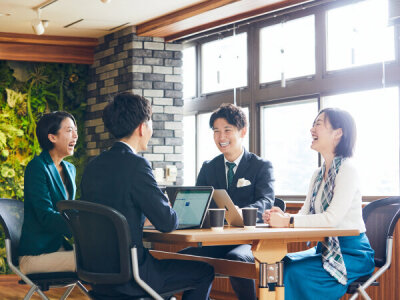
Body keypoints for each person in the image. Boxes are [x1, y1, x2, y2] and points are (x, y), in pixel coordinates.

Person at [80, 92, 214, 299]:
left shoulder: (93, 166)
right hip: (132, 275)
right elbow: (167, 223)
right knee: (203, 272)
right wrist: (167, 207)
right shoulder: (136, 166)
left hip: (97, 275)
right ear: (142, 127)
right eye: (151, 122)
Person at [263, 108, 375, 300]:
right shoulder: (317, 174)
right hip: (324, 249)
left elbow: (331, 219)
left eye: (318, 124)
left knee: (292, 271)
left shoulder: (347, 170)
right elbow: (305, 213)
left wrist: (287, 221)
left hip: (352, 254)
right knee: (277, 264)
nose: (312, 129)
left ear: (338, 133)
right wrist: (282, 217)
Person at [180, 103, 275, 300]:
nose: (221, 137)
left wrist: (243, 212)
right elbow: (198, 203)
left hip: (250, 242)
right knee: (184, 256)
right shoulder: (209, 167)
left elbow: (266, 200)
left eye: (227, 130)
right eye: (216, 131)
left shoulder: (261, 166)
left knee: (236, 258)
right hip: (217, 240)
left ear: (243, 132)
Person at [18, 111, 79, 274]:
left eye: (76, 131)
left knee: (104, 254)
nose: (75, 136)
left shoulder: (70, 169)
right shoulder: (37, 167)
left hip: (59, 248)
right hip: (36, 254)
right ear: (52, 137)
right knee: (99, 260)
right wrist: (82, 225)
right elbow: (45, 216)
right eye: (69, 130)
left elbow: (68, 210)